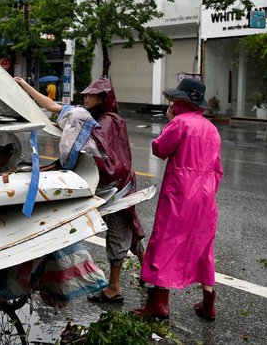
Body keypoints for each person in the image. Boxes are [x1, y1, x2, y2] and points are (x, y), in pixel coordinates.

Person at [15, 76, 146, 304]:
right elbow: (53, 106)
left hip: (118, 185)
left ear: (103, 98)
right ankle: (147, 272)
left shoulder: (109, 121)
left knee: (121, 230)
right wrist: (25, 87)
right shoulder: (88, 117)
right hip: (107, 183)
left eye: (90, 94)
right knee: (128, 228)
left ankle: (115, 287)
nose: (85, 97)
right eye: (84, 94)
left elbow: (104, 153)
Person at [132, 77, 223, 321]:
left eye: (174, 100)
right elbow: (217, 168)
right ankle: (208, 304)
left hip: (180, 193)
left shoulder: (180, 123)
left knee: (166, 241)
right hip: (206, 196)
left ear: (181, 101)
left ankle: (159, 304)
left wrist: (171, 122)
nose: (171, 103)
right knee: (204, 246)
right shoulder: (212, 129)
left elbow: (160, 149)